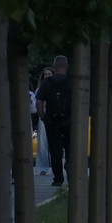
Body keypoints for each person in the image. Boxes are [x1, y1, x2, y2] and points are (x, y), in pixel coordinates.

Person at [35, 55, 71, 187]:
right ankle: (71, 171)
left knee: (55, 151)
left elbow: (39, 102)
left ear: (54, 67)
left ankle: (58, 179)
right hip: (70, 122)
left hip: (52, 121)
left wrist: (43, 117)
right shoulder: (71, 81)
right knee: (70, 148)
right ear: (66, 66)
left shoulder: (47, 82)